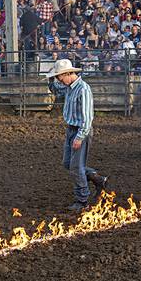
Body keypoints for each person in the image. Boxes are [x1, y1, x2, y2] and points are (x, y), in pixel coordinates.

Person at [47, 59, 109, 211]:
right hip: (71, 129)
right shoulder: (69, 87)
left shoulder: (83, 89)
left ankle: (82, 200)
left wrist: (80, 136)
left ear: (68, 74)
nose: (59, 80)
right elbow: (55, 89)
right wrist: (50, 78)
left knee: (75, 166)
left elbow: (87, 118)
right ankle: (97, 179)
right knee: (68, 164)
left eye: (60, 77)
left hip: (80, 130)